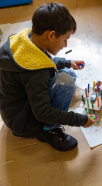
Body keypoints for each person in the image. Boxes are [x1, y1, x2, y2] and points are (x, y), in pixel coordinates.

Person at [0, 2, 95, 151]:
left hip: (13, 110)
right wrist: (81, 120)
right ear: (51, 35)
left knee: (68, 73)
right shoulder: (34, 73)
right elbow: (43, 112)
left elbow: (43, 60)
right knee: (67, 81)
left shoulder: (25, 42)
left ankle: (48, 124)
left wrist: (67, 62)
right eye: (65, 40)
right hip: (23, 123)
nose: (65, 45)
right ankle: (48, 129)